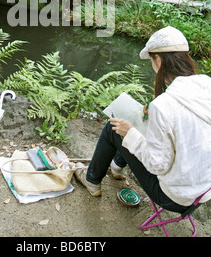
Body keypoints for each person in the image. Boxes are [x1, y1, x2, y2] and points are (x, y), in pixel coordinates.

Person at [75, 26, 211, 213]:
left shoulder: (164, 106)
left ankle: (91, 180)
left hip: (175, 197)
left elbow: (157, 165)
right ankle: (116, 168)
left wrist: (131, 134)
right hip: (202, 191)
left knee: (113, 127)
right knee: (133, 128)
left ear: (158, 59)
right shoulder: (206, 84)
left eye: (151, 60)